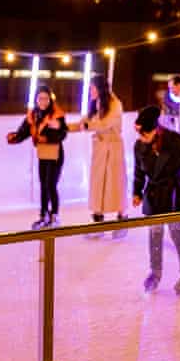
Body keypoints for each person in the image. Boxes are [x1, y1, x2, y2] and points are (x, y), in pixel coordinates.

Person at [132, 106, 180, 295]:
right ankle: (155, 272)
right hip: (153, 195)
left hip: (175, 194)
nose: (141, 139)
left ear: (155, 130)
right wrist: (136, 192)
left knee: (177, 234)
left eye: (144, 134)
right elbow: (138, 171)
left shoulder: (176, 142)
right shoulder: (140, 145)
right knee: (155, 235)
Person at [75, 75, 129, 238]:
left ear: (101, 88)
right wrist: (63, 126)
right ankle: (98, 222)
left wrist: (86, 125)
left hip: (113, 149)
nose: (90, 91)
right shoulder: (96, 104)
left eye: (93, 88)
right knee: (97, 185)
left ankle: (122, 220)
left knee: (115, 185)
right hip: (100, 149)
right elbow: (84, 122)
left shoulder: (115, 104)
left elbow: (104, 124)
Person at [7, 85, 68, 230]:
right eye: (40, 98)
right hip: (42, 154)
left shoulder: (56, 114)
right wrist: (15, 137)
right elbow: (24, 131)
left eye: (46, 98)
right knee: (43, 185)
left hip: (56, 154)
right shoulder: (33, 115)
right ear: (36, 100)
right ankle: (43, 215)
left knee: (51, 185)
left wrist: (47, 137)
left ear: (50, 99)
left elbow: (63, 134)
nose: (43, 101)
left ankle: (54, 215)